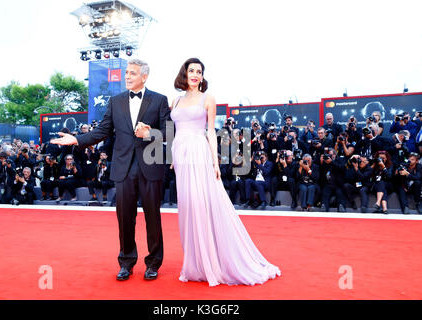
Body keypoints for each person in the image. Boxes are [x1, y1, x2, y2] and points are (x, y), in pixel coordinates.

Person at [51, 59, 170, 282]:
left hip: (151, 166)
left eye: (132, 73)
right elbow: (102, 131)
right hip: (123, 167)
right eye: (126, 73)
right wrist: (76, 139)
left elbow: (169, 131)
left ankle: (153, 262)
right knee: (125, 217)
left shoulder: (160, 100)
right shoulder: (115, 101)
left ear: (144, 77)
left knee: (153, 217)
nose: (127, 77)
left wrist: (149, 133)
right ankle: (126, 261)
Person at [170, 57, 280, 286]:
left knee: (203, 205)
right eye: (191, 70)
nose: (195, 74)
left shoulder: (208, 99)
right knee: (188, 207)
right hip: (181, 155)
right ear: (184, 73)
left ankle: (213, 262)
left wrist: (214, 161)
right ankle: (195, 264)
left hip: (199, 153)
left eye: (199, 71)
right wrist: (172, 155)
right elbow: (174, 130)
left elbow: (210, 132)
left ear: (202, 76)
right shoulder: (176, 100)